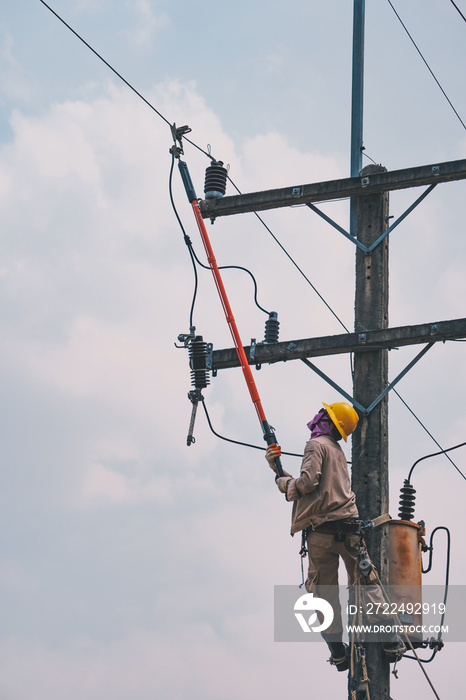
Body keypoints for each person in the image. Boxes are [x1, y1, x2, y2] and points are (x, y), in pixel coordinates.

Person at [265, 401, 405, 671]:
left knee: (323, 593)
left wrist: (282, 482)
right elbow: (318, 489)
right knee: (367, 585)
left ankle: (338, 651)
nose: (316, 417)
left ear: (326, 420)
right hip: (348, 528)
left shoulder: (315, 445)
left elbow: (307, 484)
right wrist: (279, 471)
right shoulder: (337, 450)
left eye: (322, 414)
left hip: (321, 534)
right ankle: (390, 639)